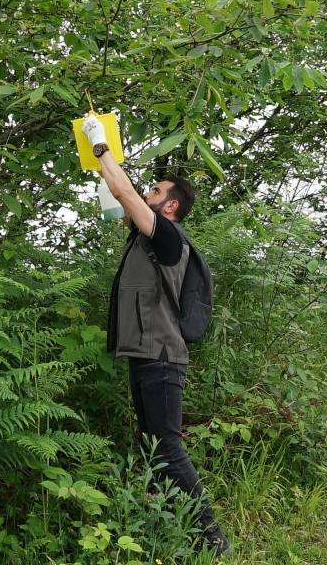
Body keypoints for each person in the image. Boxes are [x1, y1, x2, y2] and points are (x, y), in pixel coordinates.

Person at [81, 114, 231, 557]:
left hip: (163, 355)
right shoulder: (144, 237)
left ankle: (212, 537)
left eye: (157, 192)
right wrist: (100, 164)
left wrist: (101, 146)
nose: (148, 194)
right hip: (145, 354)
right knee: (151, 446)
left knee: (166, 442)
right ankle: (159, 523)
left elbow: (125, 192)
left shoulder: (169, 238)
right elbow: (119, 196)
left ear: (168, 207)